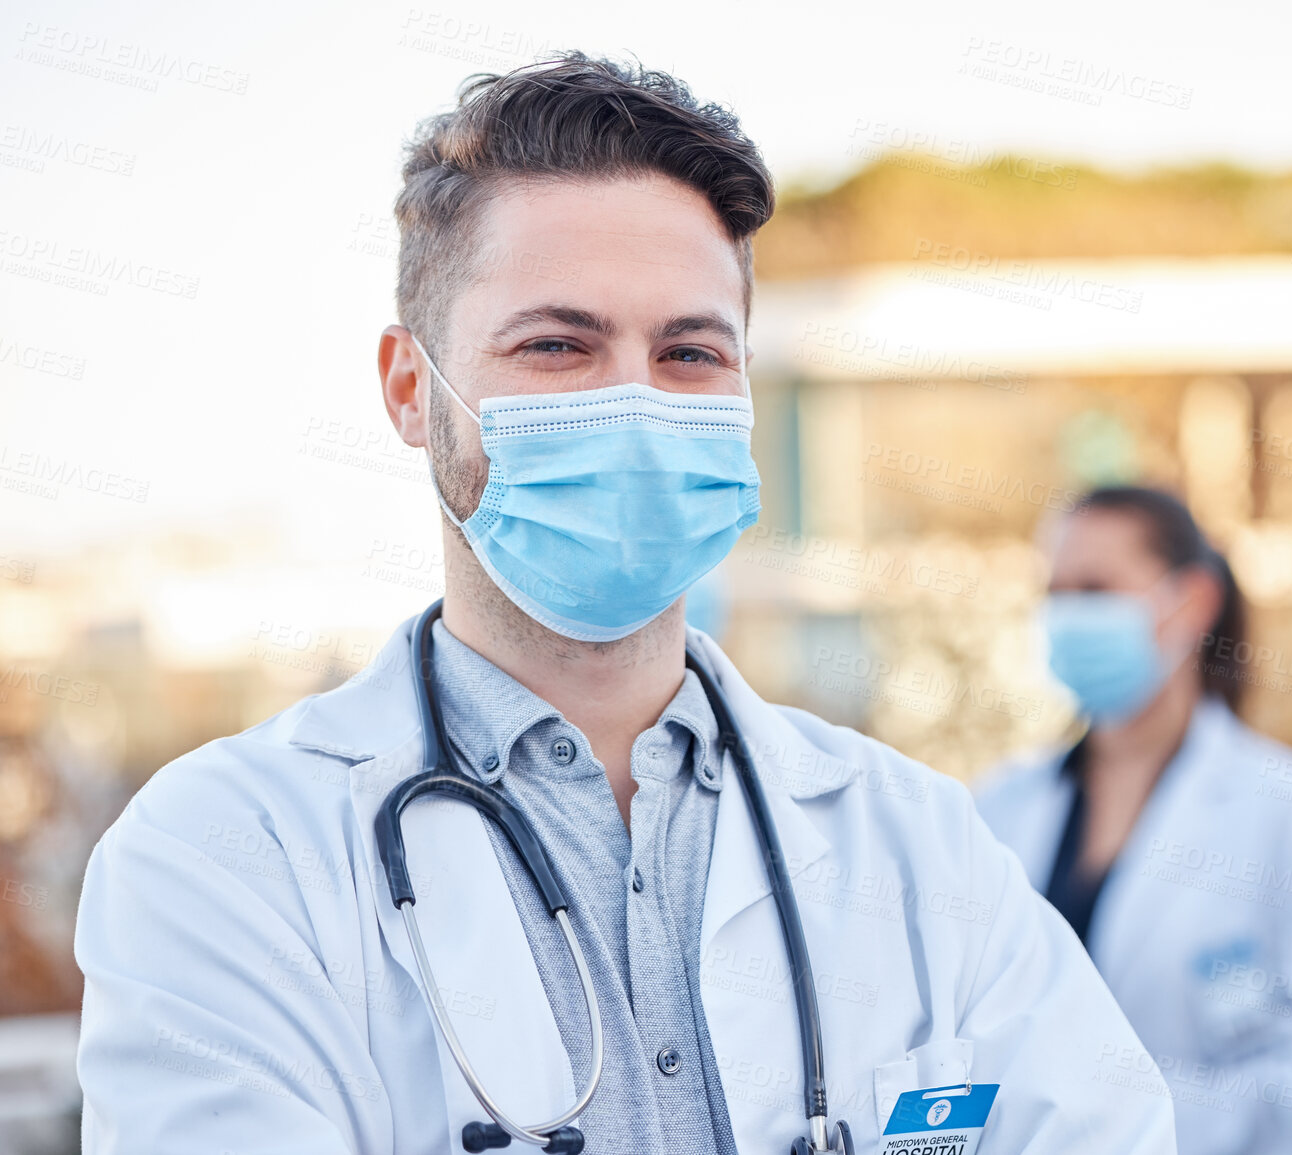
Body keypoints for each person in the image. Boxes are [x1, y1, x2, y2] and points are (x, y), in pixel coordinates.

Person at [72, 55, 1176, 1155]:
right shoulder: (224, 856)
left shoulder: (918, 844)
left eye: (691, 352)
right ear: (412, 390)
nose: (635, 403)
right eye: (557, 345)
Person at [976, 486, 1292, 1155]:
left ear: (1191, 601)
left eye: (1095, 589)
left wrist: (1119, 1116)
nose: (1065, 616)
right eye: (1055, 593)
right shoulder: (998, 808)